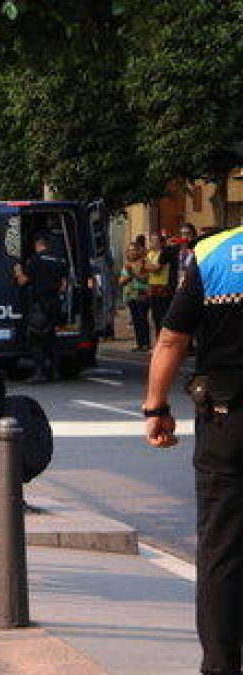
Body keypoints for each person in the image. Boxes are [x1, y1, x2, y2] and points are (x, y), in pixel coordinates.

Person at [143, 223, 243, 675]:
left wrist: (155, 407)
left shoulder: (214, 253)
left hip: (228, 417)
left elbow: (172, 338)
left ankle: (220, 666)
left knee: (222, 547)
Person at [14, 234, 68, 382]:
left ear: (37, 245)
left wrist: (18, 271)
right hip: (54, 303)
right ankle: (56, 371)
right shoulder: (59, 260)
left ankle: (39, 372)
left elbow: (23, 281)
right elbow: (63, 285)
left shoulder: (34, 260)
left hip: (40, 305)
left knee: (36, 338)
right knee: (52, 338)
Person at [118, 241, 152, 352]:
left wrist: (132, 273)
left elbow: (144, 278)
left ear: (138, 251)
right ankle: (139, 343)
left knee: (142, 319)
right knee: (136, 321)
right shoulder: (126, 264)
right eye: (129, 250)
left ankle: (146, 343)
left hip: (141, 295)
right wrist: (127, 277)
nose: (131, 252)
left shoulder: (143, 262)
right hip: (130, 296)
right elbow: (121, 281)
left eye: (134, 250)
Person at [145, 232, 176, 340]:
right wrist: (150, 266)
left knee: (163, 314)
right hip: (152, 286)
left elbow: (156, 269)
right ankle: (158, 338)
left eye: (155, 241)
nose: (152, 243)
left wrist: (150, 266)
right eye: (151, 240)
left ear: (161, 242)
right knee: (155, 316)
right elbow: (146, 267)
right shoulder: (150, 254)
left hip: (163, 286)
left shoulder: (164, 253)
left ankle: (164, 338)